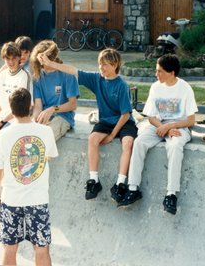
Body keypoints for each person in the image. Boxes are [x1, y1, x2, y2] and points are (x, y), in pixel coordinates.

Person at [38, 48, 137, 202]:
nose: (101, 68)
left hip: (124, 122)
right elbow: (73, 71)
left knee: (128, 143)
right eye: (99, 64)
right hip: (105, 121)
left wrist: (112, 135)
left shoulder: (121, 85)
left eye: (105, 65)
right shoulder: (97, 79)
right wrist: (50, 63)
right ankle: (94, 181)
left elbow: (125, 114)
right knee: (92, 139)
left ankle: (120, 183)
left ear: (115, 64)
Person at [117, 54, 198, 215]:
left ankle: (171, 194)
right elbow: (151, 116)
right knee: (139, 142)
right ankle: (133, 188)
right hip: (158, 126)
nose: (156, 75)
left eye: (160, 71)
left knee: (175, 147)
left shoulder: (185, 88)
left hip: (179, 127)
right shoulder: (156, 87)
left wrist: (171, 125)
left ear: (172, 72)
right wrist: (163, 127)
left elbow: (191, 120)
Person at [0, 87, 58, 266]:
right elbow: (47, 156)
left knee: (9, 247)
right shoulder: (46, 132)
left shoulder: (1, 136)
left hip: (11, 201)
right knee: (41, 248)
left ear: (11, 109)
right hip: (38, 200)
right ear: (31, 107)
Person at [31, 40, 79, 141]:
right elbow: (38, 106)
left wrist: (53, 109)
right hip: (45, 116)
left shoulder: (68, 75)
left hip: (63, 116)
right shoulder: (37, 77)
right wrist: (34, 121)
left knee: (45, 138)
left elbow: (73, 105)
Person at [0, 35, 33, 108]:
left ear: (30, 52)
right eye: (20, 52)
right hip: (10, 92)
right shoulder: (11, 62)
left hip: (23, 98)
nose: (22, 56)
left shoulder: (30, 67)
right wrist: (6, 65)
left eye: (26, 52)